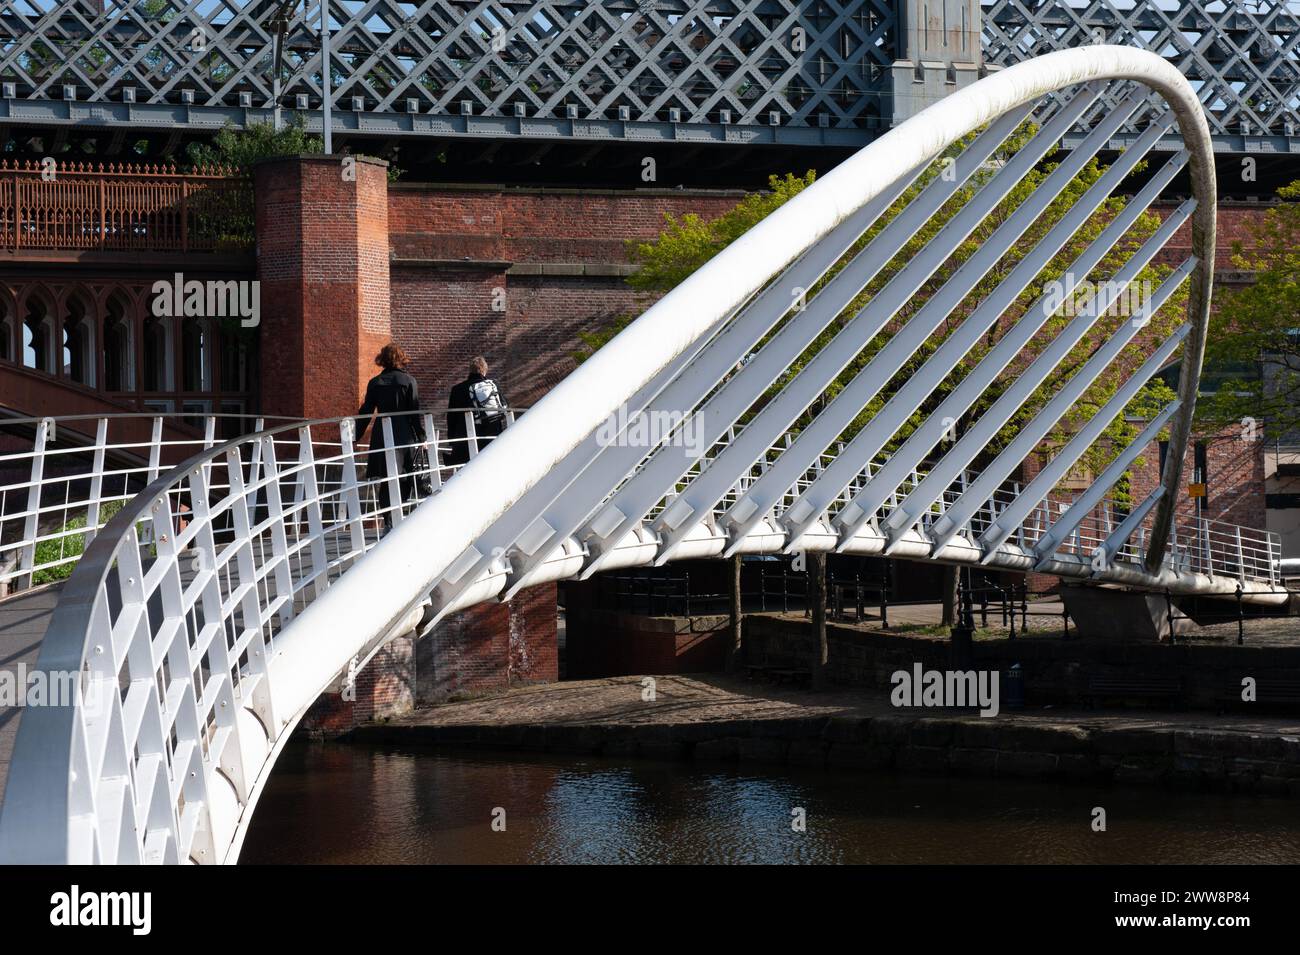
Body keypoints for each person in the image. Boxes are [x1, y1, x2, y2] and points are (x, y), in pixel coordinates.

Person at [356, 343, 426, 532]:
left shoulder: (375, 382)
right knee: (403, 475)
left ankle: (388, 519)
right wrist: (422, 437)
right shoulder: (409, 381)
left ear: (383, 359)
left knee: (386, 478)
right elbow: (414, 413)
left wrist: (355, 435)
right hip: (403, 433)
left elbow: (366, 412)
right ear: (401, 359)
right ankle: (399, 516)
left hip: (381, 433)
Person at [445, 356, 508, 466]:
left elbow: (451, 418)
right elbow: (505, 407)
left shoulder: (457, 389)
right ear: (484, 370)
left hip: (466, 443)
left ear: (470, 370)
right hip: (492, 439)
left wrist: (452, 441)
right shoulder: (493, 385)